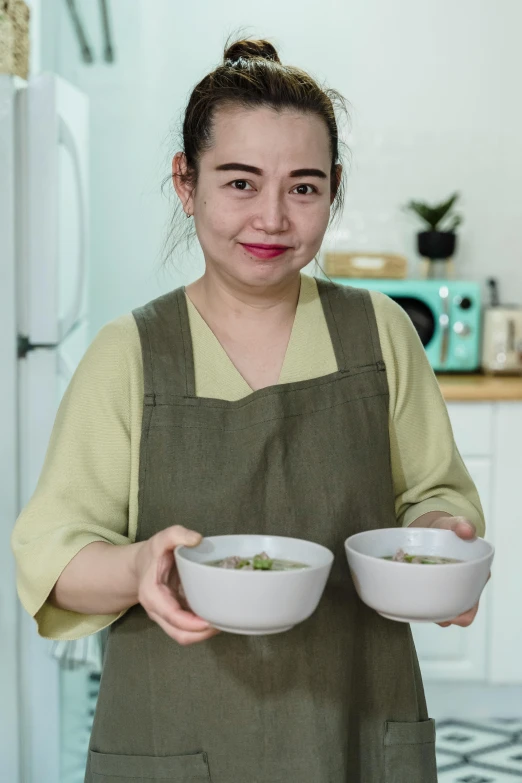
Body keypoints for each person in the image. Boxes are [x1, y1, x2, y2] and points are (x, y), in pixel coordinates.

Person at [12, 37, 486, 783]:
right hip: (174, 741)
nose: (271, 217)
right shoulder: (129, 352)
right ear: (185, 182)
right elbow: (51, 560)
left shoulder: (380, 333)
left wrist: (435, 540)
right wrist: (139, 565)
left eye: (303, 187)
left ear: (333, 188)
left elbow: (437, 493)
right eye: (240, 182)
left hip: (355, 732)